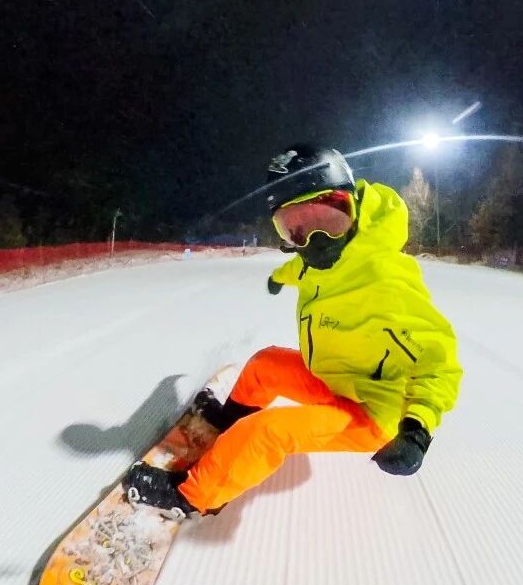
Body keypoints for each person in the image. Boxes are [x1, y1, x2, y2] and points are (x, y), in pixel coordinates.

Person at [123, 144, 462, 518]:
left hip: (375, 414)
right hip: (339, 380)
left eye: (329, 218)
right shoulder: (326, 258)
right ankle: (227, 424)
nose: (316, 240)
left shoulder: (387, 281)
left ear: (353, 206)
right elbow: (304, 268)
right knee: (265, 364)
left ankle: (190, 496)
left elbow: (438, 361)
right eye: (296, 228)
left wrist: (416, 432)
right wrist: (278, 277)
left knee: (268, 430)